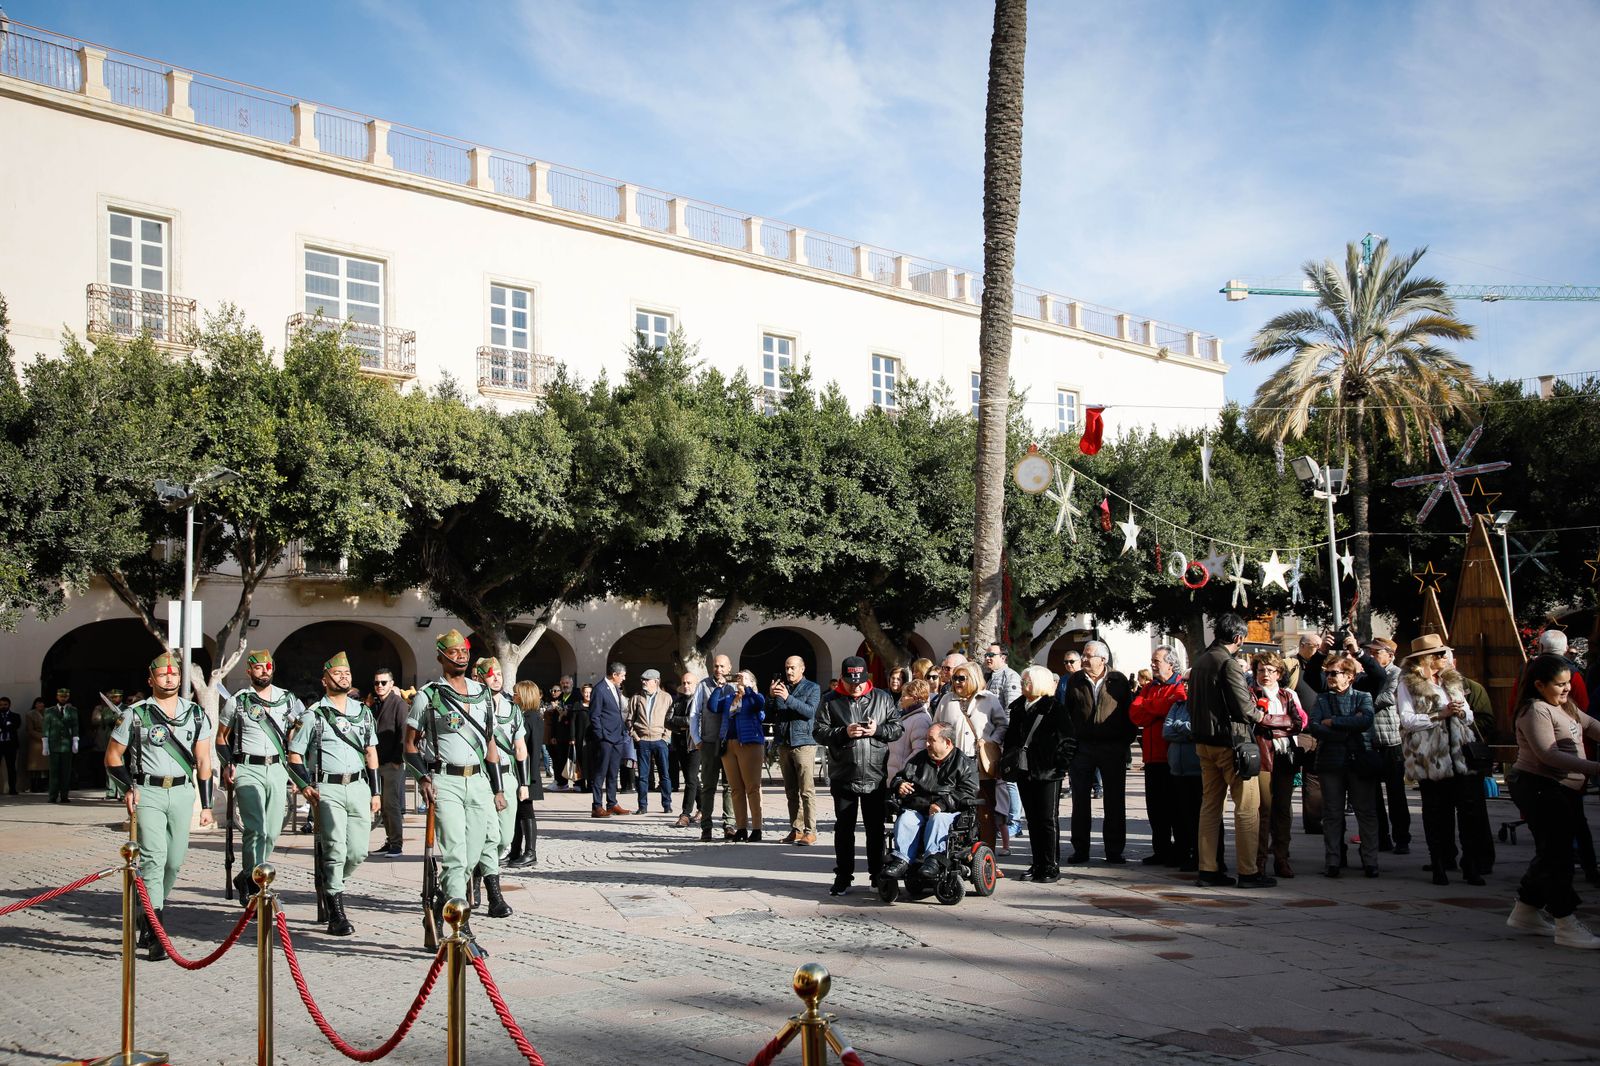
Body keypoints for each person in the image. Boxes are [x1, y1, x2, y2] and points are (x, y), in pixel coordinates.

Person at [104, 652, 216, 961]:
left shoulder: (195, 714)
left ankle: (148, 910)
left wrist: (206, 804)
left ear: (181, 679)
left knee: (173, 862)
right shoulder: (136, 714)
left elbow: (204, 760)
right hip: (148, 793)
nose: (169, 678)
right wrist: (128, 787)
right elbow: (113, 756)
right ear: (150, 679)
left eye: (174, 674)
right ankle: (157, 935)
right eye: (162, 675)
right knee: (154, 859)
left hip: (182, 793)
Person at [406, 629, 511, 934]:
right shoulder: (429, 696)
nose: (460, 657)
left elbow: (489, 743)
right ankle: (459, 927)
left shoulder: (481, 695)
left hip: (478, 780)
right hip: (444, 781)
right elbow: (410, 743)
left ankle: (442, 902)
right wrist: (423, 778)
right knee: (454, 856)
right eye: (453, 653)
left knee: (474, 854)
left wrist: (497, 787)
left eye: (464, 652)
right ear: (440, 657)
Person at [1507, 654, 1600, 948]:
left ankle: (1526, 909)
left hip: (1563, 790)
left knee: (1552, 852)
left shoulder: (1564, 706)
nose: (1566, 689)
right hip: (1539, 787)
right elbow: (1547, 754)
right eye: (1559, 685)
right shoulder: (1534, 710)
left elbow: (1591, 725)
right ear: (1539, 685)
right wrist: (1595, 769)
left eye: (1567, 684)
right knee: (1557, 857)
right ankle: (1565, 920)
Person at [287, 652, 382, 937]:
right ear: (325, 680)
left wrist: (376, 791)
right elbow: (294, 755)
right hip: (328, 788)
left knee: (358, 851)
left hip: (358, 786)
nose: (343, 677)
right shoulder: (313, 715)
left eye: (347, 674)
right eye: (337, 674)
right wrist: (305, 785)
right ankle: (336, 911)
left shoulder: (363, 712)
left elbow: (371, 752)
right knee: (336, 848)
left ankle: (330, 882)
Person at [1397, 634, 1490, 886]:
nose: (1442, 658)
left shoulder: (1453, 680)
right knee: (1436, 813)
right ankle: (1439, 863)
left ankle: (1471, 864)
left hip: (1461, 754)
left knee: (1469, 812)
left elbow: (1470, 716)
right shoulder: (1408, 683)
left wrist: (1462, 712)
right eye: (1437, 654)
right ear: (1424, 659)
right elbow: (1407, 720)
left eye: (1443, 654)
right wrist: (1439, 715)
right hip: (1431, 758)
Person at [1190, 613, 1273, 888]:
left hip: (1203, 742)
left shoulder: (1201, 660)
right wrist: (1261, 715)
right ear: (1238, 638)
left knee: (1210, 806)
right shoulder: (1228, 663)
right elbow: (1243, 707)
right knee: (1248, 807)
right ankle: (1248, 871)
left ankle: (1207, 869)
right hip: (1230, 743)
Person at [218, 649, 306, 900]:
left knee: (273, 829)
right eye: (258, 668)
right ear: (249, 671)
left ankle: (249, 874)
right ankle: (256, 881)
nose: (264, 671)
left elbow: (295, 736)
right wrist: (227, 763)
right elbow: (222, 737)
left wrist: (298, 771)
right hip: (248, 768)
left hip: (278, 767)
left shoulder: (287, 699)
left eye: (268, 667)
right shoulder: (239, 700)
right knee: (255, 828)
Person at [814, 656, 904, 896]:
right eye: (851, 682)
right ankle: (843, 876)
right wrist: (844, 732)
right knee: (844, 829)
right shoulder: (830, 700)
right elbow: (819, 732)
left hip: (875, 773)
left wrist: (878, 730)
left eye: (860, 682)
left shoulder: (883, 698)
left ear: (867, 679)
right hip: (844, 773)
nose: (856, 686)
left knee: (875, 829)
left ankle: (876, 875)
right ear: (843, 677)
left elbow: (897, 728)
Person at [1058, 640, 1135, 864]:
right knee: (1080, 801)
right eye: (1083, 655)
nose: (1083, 659)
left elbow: (1128, 714)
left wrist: (1123, 743)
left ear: (1103, 659)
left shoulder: (1118, 681)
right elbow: (1068, 712)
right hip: (1082, 748)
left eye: (1088, 655)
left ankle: (1114, 850)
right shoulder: (1075, 680)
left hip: (1112, 748)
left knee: (1114, 801)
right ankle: (1080, 849)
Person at [1309, 655, 1381, 878]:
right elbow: (1314, 727)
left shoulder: (1363, 696)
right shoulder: (1322, 699)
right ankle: (1333, 860)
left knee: (1366, 811)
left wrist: (1334, 722)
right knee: (1332, 813)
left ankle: (1370, 860)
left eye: (1334, 673)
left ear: (1349, 677)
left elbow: (1365, 720)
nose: (1329, 677)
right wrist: (1348, 730)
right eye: (1327, 673)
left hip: (1359, 760)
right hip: (1330, 761)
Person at [883, 723, 979, 878]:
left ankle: (933, 860)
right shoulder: (919, 759)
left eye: (931, 740)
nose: (926, 744)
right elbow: (900, 777)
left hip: (949, 812)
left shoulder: (964, 763)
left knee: (938, 819)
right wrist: (899, 784)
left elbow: (968, 792)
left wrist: (942, 804)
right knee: (906, 818)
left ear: (947, 742)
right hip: (919, 808)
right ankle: (901, 860)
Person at [1002, 666, 1069, 882]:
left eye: (1027, 681)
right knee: (1032, 819)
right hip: (1024, 770)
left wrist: (1059, 764)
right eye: (1023, 681)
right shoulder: (1019, 707)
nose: (1023, 685)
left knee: (1048, 819)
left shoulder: (1054, 708)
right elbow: (1011, 738)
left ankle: (1051, 865)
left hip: (1048, 772)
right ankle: (1038, 862)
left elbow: (1068, 740)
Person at [933, 662, 1008, 847]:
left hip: (981, 763)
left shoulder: (989, 699)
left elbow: (1002, 725)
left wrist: (991, 741)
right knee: (956, 807)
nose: (957, 682)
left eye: (961, 678)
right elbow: (936, 726)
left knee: (985, 811)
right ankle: (961, 853)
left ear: (973, 679)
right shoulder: (946, 700)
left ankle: (988, 856)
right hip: (953, 764)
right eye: (954, 678)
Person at [1249, 651, 1307, 879]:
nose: (1265, 675)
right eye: (1261, 670)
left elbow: (1299, 722)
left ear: (1279, 673)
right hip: (1262, 756)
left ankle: (1282, 858)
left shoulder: (1289, 695)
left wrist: (1271, 723)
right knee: (1263, 809)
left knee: (1282, 809)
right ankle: (1260, 860)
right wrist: (1282, 723)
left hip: (1286, 755)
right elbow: (1256, 720)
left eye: (1270, 670)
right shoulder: (1251, 695)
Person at [1129, 646, 1187, 866]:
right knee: (1155, 808)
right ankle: (1161, 850)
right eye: (1152, 660)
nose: (1153, 664)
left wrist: (1149, 707)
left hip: (1171, 757)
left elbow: (1175, 704)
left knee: (1176, 808)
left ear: (1170, 663)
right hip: (1151, 759)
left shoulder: (1180, 685)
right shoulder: (1149, 687)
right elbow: (1135, 713)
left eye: (1157, 661)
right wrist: (1157, 707)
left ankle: (1180, 851)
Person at [476, 658, 530, 873]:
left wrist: (524, 783)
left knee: (505, 836)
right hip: (483, 777)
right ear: (480, 678)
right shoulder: (474, 706)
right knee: (488, 833)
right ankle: (483, 875)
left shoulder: (513, 709)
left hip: (507, 777)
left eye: (498, 674)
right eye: (491, 674)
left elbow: (520, 748)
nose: (496, 678)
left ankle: (484, 866)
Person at [1360, 637, 1409, 855]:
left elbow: (1388, 697)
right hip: (1370, 740)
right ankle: (1381, 837)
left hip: (1391, 740)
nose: (1371, 656)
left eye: (1376, 652)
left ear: (1390, 655)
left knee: (1396, 793)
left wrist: (1362, 705)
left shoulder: (1397, 674)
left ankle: (1402, 838)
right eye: (1369, 652)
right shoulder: (1365, 673)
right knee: (1373, 796)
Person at [767, 656, 820, 845]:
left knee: (806, 790)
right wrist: (772, 697)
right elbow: (771, 712)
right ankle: (796, 829)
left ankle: (810, 831)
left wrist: (787, 698)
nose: (789, 672)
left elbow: (809, 712)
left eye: (792, 668)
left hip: (804, 743)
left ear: (802, 669)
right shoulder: (782, 688)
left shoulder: (812, 688)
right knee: (791, 791)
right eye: (787, 668)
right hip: (784, 744)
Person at [711, 670, 766, 840]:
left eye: (744, 678)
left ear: (752, 682)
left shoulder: (754, 697)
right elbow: (713, 706)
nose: (739, 680)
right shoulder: (730, 698)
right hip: (729, 744)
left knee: (752, 787)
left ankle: (757, 828)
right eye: (738, 677)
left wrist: (747, 689)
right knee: (736, 788)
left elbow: (759, 704)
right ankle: (741, 827)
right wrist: (719, 687)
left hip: (749, 744)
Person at [1286, 632, 1331, 834]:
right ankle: (1281, 826)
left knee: (1313, 778)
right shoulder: (1291, 666)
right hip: (1294, 730)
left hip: (1315, 730)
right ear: (1303, 646)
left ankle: (1313, 822)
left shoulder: (1321, 669)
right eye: (1315, 646)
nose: (1320, 650)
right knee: (1286, 780)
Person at [690, 655, 736, 841]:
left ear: (729, 667)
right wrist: (696, 738)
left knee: (730, 786)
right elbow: (694, 713)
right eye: (716, 666)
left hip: (730, 742)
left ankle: (729, 824)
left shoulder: (734, 685)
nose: (718, 669)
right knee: (708, 786)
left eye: (722, 666)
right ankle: (706, 826)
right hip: (709, 742)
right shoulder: (703, 685)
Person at [370, 667, 409, 856]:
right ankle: (390, 840)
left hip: (392, 763)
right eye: (377, 682)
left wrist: (397, 759)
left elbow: (403, 732)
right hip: (377, 762)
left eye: (383, 682)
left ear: (391, 684)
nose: (379, 686)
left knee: (391, 805)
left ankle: (396, 844)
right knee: (383, 806)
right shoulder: (375, 704)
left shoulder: (399, 704)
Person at [506, 680, 544, 867]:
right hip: (521, 772)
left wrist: (527, 780)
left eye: (516, 694)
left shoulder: (531, 718)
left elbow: (532, 749)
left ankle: (530, 852)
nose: (513, 696)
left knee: (526, 811)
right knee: (517, 813)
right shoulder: (524, 716)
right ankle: (515, 850)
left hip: (527, 774)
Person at [587, 663, 630, 817]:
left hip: (617, 736)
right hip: (605, 738)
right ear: (614, 674)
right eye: (622, 675)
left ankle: (612, 803)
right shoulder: (599, 690)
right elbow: (594, 715)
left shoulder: (615, 689)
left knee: (613, 772)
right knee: (600, 772)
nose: (624, 679)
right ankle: (596, 806)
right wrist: (601, 735)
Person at [629, 669, 674, 814]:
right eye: (642, 679)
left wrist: (666, 738)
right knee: (642, 776)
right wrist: (636, 737)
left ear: (656, 681)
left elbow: (670, 719)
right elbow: (629, 719)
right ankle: (642, 806)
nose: (643, 682)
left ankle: (667, 805)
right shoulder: (636, 697)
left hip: (660, 741)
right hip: (643, 741)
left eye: (647, 680)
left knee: (664, 775)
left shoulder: (666, 697)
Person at [669, 672, 702, 828]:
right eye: (684, 683)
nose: (686, 685)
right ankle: (703, 808)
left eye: (689, 682)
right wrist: (684, 723)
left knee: (690, 779)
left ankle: (685, 814)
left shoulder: (700, 701)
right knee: (693, 779)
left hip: (695, 744)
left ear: (696, 684)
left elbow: (695, 720)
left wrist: (681, 722)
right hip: (680, 743)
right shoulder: (678, 701)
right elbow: (667, 720)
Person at [885, 678, 933, 783]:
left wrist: (901, 772)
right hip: (896, 777)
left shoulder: (920, 720)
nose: (901, 699)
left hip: (905, 779)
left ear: (915, 698)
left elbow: (919, 752)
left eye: (904, 696)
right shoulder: (908, 716)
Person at [45, 687, 78, 803]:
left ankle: (64, 795)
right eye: (61, 696)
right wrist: (45, 743)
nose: (63, 698)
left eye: (65, 696)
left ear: (68, 697)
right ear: (57, 697)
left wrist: (75, 740)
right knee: (54, 772)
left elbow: (75, 725)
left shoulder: (72, 710)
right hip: (54, 745)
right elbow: (46, 727)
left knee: (66, 772)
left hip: (66, 745)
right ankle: (52, 796)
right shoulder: (49, 711)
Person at [545, 676, 574, 790]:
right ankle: (561, 783)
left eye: (567, 683)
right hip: (560, 735)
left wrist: (566, 712)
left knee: (575, 759)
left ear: (571, 683)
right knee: (559, 760)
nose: (565, 685)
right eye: (563, 683)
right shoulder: (559, 698)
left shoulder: (576, 696)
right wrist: (553, 735)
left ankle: (578, 784)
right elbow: (554, 720)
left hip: (572, 734)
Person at [23, 696, 48, 793]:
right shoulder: (30, 714)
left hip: (47, 740)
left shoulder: (48, 713)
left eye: (41, 703)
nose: (40, 705)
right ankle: (34, 785)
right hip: (35, 742)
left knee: (45, 766)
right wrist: (42, 737)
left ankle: (43, 785)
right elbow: (30, 730)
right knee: (35, 765)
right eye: (38, 703)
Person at [0, 696, 19, 795]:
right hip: (0, 744)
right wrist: (6, 726)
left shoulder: (15, 716)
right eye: (1, 705)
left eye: (5, 705)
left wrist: (4, 727)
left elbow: (15, 727)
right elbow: (7, 727)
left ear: (9, 705)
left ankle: (12, 788)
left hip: (10, 745)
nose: (3, 707)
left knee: (11, 767)